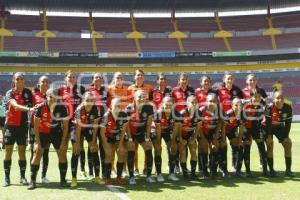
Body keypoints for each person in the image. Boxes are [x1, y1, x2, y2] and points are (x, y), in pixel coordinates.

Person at [28, 89, 70, 189]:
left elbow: (65, 126)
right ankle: (32, 181)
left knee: (62, 155)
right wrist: (38, 142)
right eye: (50, 96)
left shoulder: (62, 108)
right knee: (37, 155)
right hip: (43, 133)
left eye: (55, 96)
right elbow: (36, 126)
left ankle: (63, 181)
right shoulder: (40, 107)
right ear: (46, 97)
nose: (52, 98)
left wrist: (64, 141)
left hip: (56, 134)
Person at [3, 72, 34, 187]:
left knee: (22, 152)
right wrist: (29, 108)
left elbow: (33, 103)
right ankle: (7, 178)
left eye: (21, 79)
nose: (20, 81)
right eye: (17, 79)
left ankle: (22, 177)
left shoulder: (28, 92)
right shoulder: (9, 93)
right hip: (10, 125)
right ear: (13, 81)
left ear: (24, 81)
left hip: (22, 125)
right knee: (8, 152)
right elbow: (14, 105)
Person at [70, 92, 103, 187]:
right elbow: (78, 128)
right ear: (83, 101)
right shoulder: (79, 110)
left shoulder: (96, 109)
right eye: (87, 100)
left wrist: (93, 142)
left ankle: (97, 177)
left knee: (94, 149)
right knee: (76, 151)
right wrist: (76, 143)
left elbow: (95, 126)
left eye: (91, 100)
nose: (89, 102)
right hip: (76, 128)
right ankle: (74, 178)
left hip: (88, 127)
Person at [58, 70, 86, 178]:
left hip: (76, 122)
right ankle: (64, 175)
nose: (72, 79)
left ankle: (82, 169)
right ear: (65, 78)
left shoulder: (81, 89)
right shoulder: (60, 90)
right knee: (63, 146)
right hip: (64, 123)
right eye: (69, 77)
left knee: (79, 146)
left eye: (74, 77)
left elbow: (84, 103)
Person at [127, 69, 154, 175]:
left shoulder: (149, 87)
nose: (139, 77)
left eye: (141, 75)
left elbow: (151, 102)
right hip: (133, 116)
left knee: (147, 145)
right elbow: (128, 102)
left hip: (144, 116)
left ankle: (146, 168)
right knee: (134, 148)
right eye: (137, 75)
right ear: (134, 77)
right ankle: (135, 169)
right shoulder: (130, 88)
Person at [126, 90, 155, 184]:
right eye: (139, 97)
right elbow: (126, 126)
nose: (142, 98)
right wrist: (130, 139)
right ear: (134, 98)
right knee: (131, 148)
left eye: (143, 96)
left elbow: (149, 124)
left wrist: (147, 138)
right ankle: (131, 176)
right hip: (131, 133)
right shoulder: (128, 108)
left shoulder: (149, 108)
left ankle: (149, 175)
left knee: (148, 146)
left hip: (142, 133)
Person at [265, 91, 294, 177]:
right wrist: (269, 136)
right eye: (277, 98)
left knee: (288, 144)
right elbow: (268, 123)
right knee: (270, 145)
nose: (279, 100)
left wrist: (286, 137)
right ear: (273, 99)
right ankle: (271, 171)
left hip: (278, 127)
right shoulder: (269, 107)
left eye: (281, 98)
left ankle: (288, 171)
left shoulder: (288, 108)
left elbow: (288, 124)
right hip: (267, 127)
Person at [218, 73, 243, 171]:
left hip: (233, 123)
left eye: (231, 79)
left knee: (235, 144)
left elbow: (242, 102)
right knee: (222, 146)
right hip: (222, 122)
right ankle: (221, 167)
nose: (230, 80)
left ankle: (234, 165)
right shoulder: (219, 90)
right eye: (228, 78)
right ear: (224, 80)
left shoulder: (237, 90)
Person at [242, 73, 268, 170]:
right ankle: (246, 169)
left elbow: (266, 104)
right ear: (246, 81)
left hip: (258, 122)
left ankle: (263, 164)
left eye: (254, 80)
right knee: (247, 145)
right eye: (250, 80)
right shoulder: (242, 91)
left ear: (256, 81)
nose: (252, 82)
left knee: (261, 144)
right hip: (247, 122)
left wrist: (264, 116)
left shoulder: (261, 90)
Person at [100, 98, 128, 185]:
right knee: (108, 154)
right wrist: (106, 145)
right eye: (115, 106)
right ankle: (108, 178)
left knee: (122, 152)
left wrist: (120, 144)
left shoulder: (123, 115)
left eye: (119, 106)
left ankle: (119, 177)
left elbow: (123, 131)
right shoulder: (106, 116)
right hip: (106, 137)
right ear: (111, 106)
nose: (117, 108)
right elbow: (102, 133)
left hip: (117, 137)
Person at [152, 96, 181, 182]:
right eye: (166, 103)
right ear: (162, 104)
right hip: (157, 131)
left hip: (168, 130)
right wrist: (158, 143)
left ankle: (171, 173)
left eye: (170, 104)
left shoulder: (176, 114)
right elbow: (158, 130)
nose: (168, 105)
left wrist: (172, 143)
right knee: (158, 148)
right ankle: (159, 173)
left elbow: (175, 128)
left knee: (174, 147)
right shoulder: (158, 114)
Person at [29, 75, 51, 184]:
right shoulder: (33, 95)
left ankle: (43, 176)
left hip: (47, 128)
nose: (45, 83)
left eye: (47, 82)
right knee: (35, 151)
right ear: (39, 84)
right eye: (43, 81)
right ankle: (32, 176)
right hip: (35, 127)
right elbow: (28, 107)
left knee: (46, 152)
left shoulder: (51, 96)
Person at [86, 73, 107, 179]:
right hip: (91, 122)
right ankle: (91, 171)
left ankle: (103, 171)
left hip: (103, 123)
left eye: (100, 77)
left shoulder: (105, 91)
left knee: (103, 147)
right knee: (92, 146)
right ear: (93, 80)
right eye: (96, 77)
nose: (98, 79)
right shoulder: (88, 91)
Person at [198, 94, 222, 179]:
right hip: (202, 132)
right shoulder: (201, 110)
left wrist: (217, 132)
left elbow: (219, 122)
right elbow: (198, 125)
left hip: (212, 131)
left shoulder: (218, 110)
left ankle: (213, 171)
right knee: (204, 147)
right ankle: (204, 172)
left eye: (214, 101)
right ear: (206, 102)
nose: (212, 103)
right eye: (210, 101)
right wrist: (202, 136)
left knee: (215, 146)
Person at [177, 96, 200, 180]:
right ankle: (185, 174)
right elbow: (177, 128)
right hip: (180, 135)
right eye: (192, 102)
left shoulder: (198, 113)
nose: (194, 104)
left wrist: (194, 137)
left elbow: (198, 127)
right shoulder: (182, 113)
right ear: (187, 104)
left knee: (193, 150)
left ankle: (193, 174)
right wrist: (180, 138)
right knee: (183, 152)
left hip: (190, 135)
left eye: (195, 102)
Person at [221, 98, 244, 177]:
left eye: (240, 105)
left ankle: (237, 169)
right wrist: (224, 140)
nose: (238, 107)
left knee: (239, 146)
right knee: (224, 146)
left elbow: (241, 129)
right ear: (232, 106)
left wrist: (240, 141)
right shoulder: (228, 114)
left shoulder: (242, 115)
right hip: (222, 131)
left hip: (232, 130)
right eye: (236, 105)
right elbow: (223, 127)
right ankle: (224, 170)